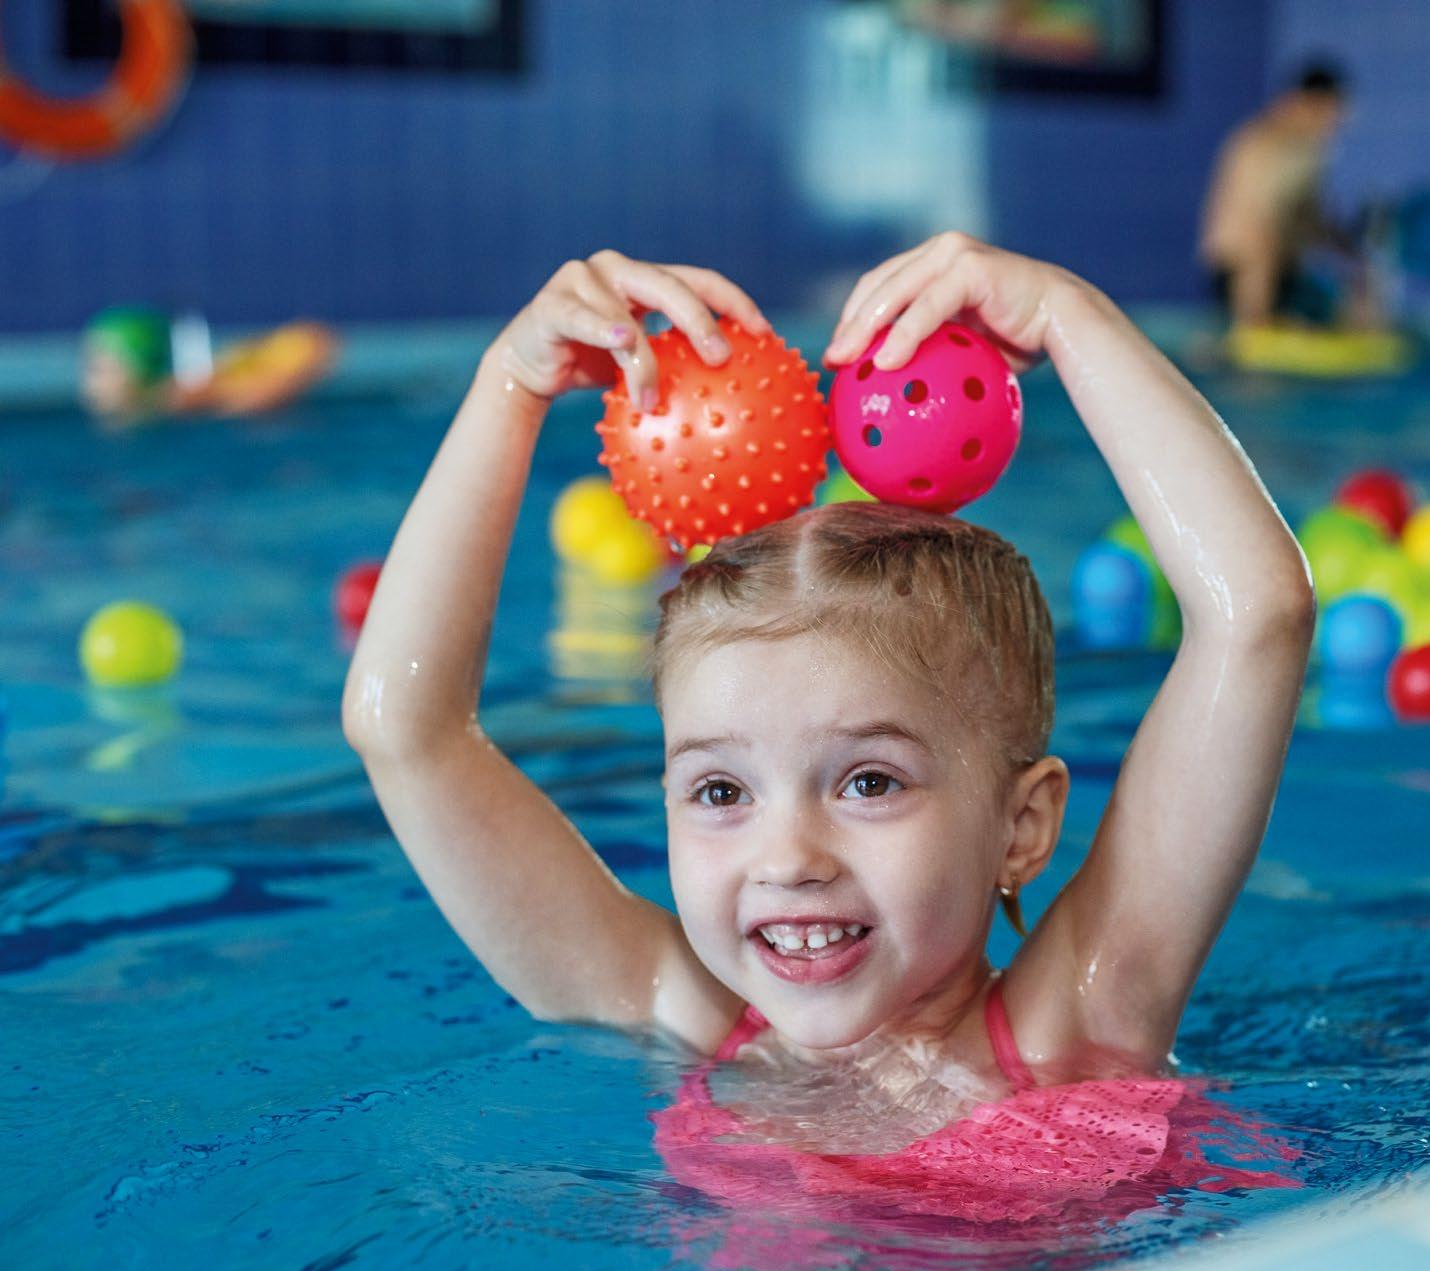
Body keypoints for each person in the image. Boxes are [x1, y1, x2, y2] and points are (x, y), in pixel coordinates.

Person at [341, 234, 1313, 1218]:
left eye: (869, 781)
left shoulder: (1078, 1023)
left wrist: (1066, 314)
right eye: (721, 790)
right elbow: (406, 730)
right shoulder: (677, 1010)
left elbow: (1258, 617)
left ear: (1021, 826)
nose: (788, 858)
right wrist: (511, 385)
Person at [1200, 60, 1361, 328]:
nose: (1334, 125)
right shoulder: (1265, 146)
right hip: (1244, 273)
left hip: (1281, 270)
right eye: (1330, 114)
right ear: (1308, 103)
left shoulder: (1308, 150)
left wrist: (1353, 255)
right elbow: (1258, 228)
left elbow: (1311, 217)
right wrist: (1255, 316)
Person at [79, 306, 336, 425]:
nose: (88, 383)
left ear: (141, 369)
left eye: (98, 369)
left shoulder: (178, 400)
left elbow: (315, 339)